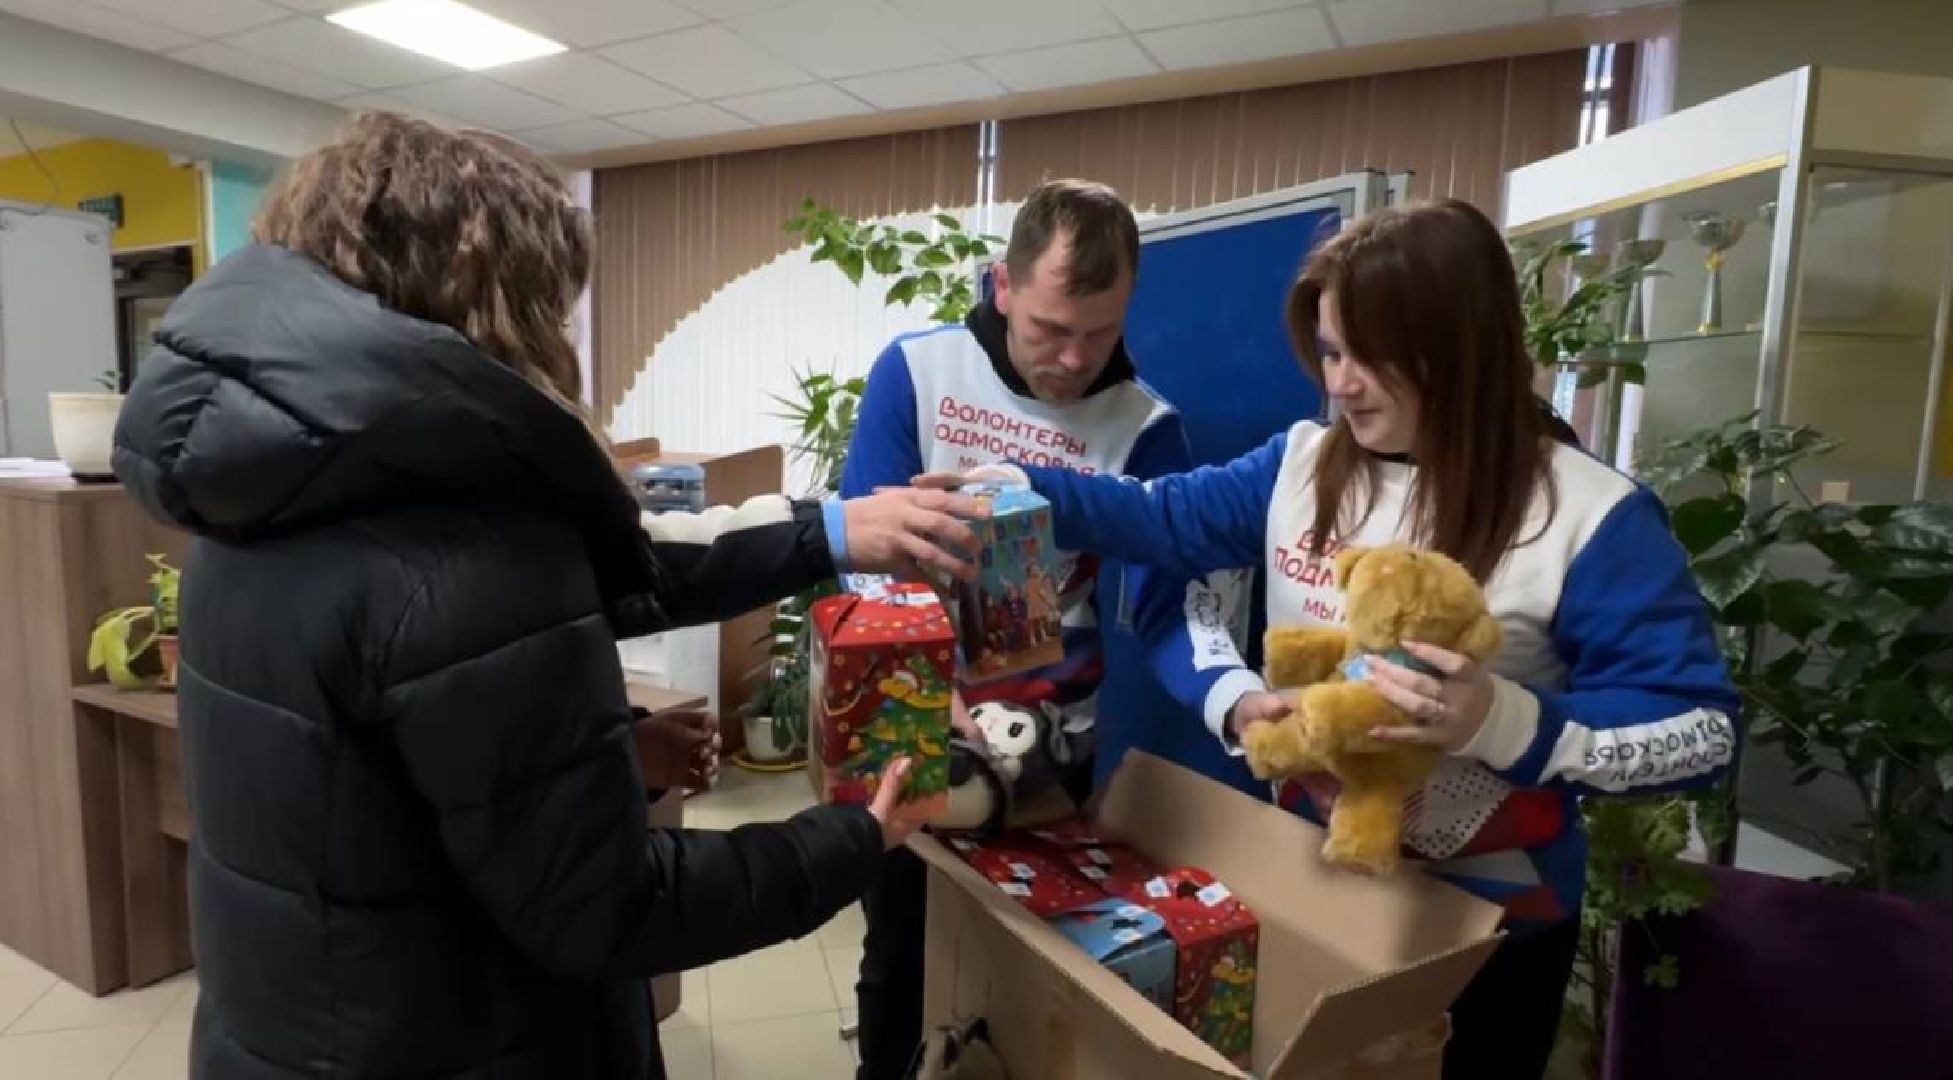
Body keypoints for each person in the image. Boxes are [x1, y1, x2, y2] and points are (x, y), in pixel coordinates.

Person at [110, 111, 987, 1080]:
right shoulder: (473, 546)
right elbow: (614, 907)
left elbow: (380, 791)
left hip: (284, 1036)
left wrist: (822, 533)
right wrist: (852, 836)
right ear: (493, 298)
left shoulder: (265, 489)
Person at [926, 199, 1740, 1080]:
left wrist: (1498, 721)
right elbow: (1160, 520)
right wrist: (1019, 485)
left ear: (1464, 350)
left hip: (1493, 927)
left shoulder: (1590, 515)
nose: (1342, 383)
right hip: (1314, 884)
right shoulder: (1303, 462)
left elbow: (1699, 732)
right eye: (1331, 351)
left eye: (1374, 357)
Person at [839, 178, 1254, 1078]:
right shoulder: (917, 370)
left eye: (1097, 334)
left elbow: (1166, 606)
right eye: (1048, 330)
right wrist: (918, 695)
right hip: (912, 731)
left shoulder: (1144, 427)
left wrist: (1233, 698)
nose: (1071, 360)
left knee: (1025, 975)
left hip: (1046, 756)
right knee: (902, 960)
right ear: (1002, 286)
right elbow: (860, 557)